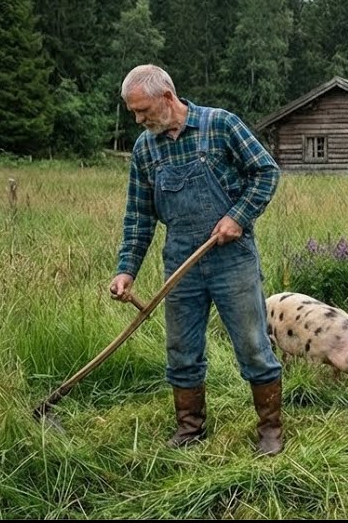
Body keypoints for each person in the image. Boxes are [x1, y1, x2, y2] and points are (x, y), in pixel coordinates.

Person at [108, 64, 285, 456]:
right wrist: (126, 270)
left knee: (253, 345)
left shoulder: (221, 125)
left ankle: (270, 430)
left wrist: (238, 217)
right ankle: (190, 429)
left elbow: (266, 172)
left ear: (168, 97)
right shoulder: (145, 149)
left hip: (232, 260)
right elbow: (139, 216)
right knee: (182, 350)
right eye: (133, 112)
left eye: (143, 110)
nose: (138, 120)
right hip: (180, 263)